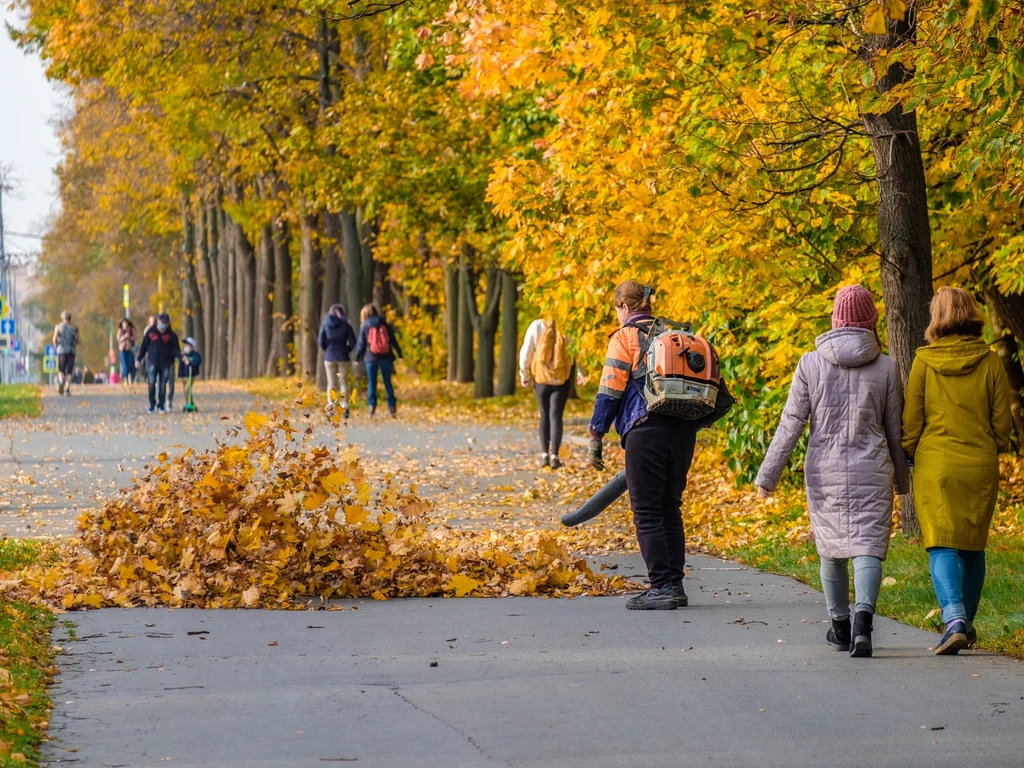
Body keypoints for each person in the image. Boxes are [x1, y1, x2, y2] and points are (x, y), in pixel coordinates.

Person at [755, 285, 909, 658]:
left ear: (835, 319)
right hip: (873, 468)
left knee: (832, 549)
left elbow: (791, 423)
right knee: (868, 546)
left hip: (824, 471)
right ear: (871, 321)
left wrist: (768, 476)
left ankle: (840, 628)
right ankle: (864, 626)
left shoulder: (810, 363)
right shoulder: (887, 366)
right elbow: (895, 429)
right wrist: (903, 481)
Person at [588, 280, 733, 610]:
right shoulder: (679, 336)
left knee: (647, 512)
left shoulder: (625, 337)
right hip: (683, 431)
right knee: (670, 508)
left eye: (617, 309)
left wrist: (596, 435)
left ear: (624, 307)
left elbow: (610, 390)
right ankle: (675, 585)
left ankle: (661, 586)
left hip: (645, 430)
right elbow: (718, 394)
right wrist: (695, 423)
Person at [902, 287, 1012, 656]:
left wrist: (907, 452)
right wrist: (994, 444)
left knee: (941, 544)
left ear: (938, 316)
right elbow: (1002, 423)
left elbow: (912, 421)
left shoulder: (924, 362)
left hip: (936, 464)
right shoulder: (991, 361)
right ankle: (966, 622)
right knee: (972, 546)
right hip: (979, 463)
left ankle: (955, 620)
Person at [519, 318, 586, 469]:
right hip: (561, 380)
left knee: (544, 414)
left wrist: (525, 374)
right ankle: (555, 455)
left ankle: (544, 455)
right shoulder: (568, 325)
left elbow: (526, 350)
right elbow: (577, 350)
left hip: (541, 379)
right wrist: (582, 372)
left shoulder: (536, 325)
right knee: (556, 415)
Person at [354, 304, 403, 417]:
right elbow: (392, 339)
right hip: (386, 357)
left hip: (371, 358)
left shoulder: (365, 325)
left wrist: (357, 357)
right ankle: (392, 407)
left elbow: (361, 343)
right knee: (388, 383)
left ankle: (372, 407)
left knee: (372, 383)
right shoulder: (384, 322)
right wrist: (399, 354)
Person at [318, 304, 357, 419]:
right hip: (343, 357)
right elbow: (353, 342)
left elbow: (321, 340)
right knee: (343, 382)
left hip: (329, 357)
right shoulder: (346, 325)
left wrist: (327, 349)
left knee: (331, 383)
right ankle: (344, 406)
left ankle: (331, 406)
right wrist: (346, 350)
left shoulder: (325, 324)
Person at [137, 312, 181, 414]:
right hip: (152, 362)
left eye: (166, 323)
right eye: (162, 322)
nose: (163, 325)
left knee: (162, 386)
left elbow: (175, 349)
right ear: (158, 322)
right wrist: (139, 359)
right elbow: (144, 346)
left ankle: (161, 405)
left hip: (165, 363)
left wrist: (181, 357)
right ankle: (152, 403)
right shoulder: (151, 333)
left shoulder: (171, 335)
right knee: (151, 383)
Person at [52, 310, 79, 397]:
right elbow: (78, 340)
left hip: (61, 351)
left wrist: (56, 346)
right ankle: (67, 389)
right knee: (69, 371)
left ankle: (61, 382)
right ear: (70, 318)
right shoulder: (74, 327)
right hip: (71, 351)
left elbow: (54, 339)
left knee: (61, 369)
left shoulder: (58, 327)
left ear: (62, 318)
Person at [179, 337, 203, 411]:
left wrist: (190, 362)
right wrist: (180, 375)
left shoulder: (195, 355)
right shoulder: (184, 356)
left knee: (187, 389)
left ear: (192, 347)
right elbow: (181, 367)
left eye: (187, 345)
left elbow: (198, 361)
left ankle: (190, 403)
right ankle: (189, 403)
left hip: (191, 375)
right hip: (184, 376)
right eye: (185, 345)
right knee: (185, 390)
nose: (186, 347)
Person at [117, 319, 137, 384]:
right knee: (125, 364)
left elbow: (134, 337)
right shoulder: (120, 330)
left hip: (130, 349)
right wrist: (124, 337)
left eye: (126, 323)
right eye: (123, 324)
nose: (125, 325)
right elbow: (118, 338)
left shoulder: (131, 329)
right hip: (122, 349)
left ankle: (130, 375)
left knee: (131, 363)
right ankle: (126, 377)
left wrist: (129, 337)